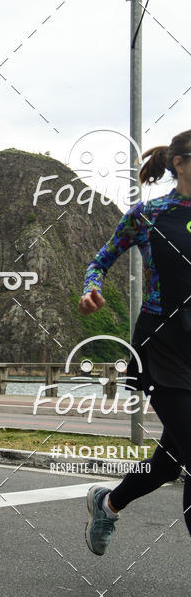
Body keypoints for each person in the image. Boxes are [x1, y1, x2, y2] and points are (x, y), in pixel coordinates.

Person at [80, 130, 191, 555]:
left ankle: (108, 504)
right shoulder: (148, 215)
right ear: (179, 163)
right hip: (161, 344)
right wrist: (91, 288)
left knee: (170, 461)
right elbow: (100, 260)